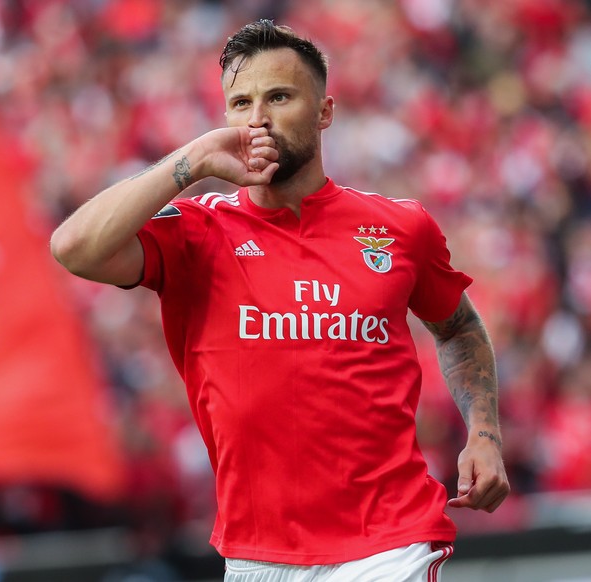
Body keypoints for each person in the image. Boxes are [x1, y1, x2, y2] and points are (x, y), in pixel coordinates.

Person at [50, 19, 510, 581]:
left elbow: (458, 327)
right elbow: (74, 248)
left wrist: (483, 436)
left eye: (279, 97)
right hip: (257, 553)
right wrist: (193, 161)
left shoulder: (400, 228)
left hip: (389, 542)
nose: (258, 118)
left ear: (325, 112)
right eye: (240, 102)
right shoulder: (198, 233)